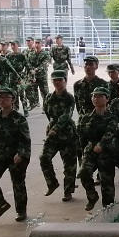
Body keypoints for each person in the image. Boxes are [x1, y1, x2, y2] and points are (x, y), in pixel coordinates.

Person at [0, 87, 31, 221]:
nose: (2, 100)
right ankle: (1, 204)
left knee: (18, 183)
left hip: (16, 155)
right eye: (0, 97)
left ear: (13, 100)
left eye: (6, 97)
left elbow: (25, 140)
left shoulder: (19, 118)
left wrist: (21, 154)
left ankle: (21, 211)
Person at [40, 70, 79, 202]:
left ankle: (68, 191)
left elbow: (66, 116)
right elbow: (48, 113)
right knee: (44, 157)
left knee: (69, 164)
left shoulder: (69, 98)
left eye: (60, 80)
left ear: (65, 81)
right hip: (52, 134)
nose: (57, 82)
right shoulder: (49, 97)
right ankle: (52, 183)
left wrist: (56, 128)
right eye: (54, 80)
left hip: (67, 134)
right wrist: (51, 127)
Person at [77, 87, 119, 211]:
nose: (96, 99)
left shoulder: (111, 117)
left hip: (107, 151)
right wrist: (83, 152)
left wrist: (101, 145)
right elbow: (81, 136)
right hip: (90, 151)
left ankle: (108, 208)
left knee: (107, 182)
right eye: (94, 96)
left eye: (100, 96)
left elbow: (109, 133)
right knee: (84, 173)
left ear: (107, 99)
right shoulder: (86, 117)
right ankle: (92, 197)